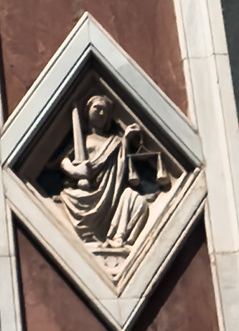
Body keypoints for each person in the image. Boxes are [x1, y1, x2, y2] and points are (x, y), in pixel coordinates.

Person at [49, 84, 176, 266]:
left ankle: (118, 237)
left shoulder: (115, 142)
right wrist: (75, 171)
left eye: (105, 111)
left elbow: (122, 163)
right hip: (86, 195)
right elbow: (62, 161)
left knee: (138, 202)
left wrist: (126, 139)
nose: (101, 114)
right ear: (87, 112)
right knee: (73, 197)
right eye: (97, 108)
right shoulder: (82, 140)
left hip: (112, 194)